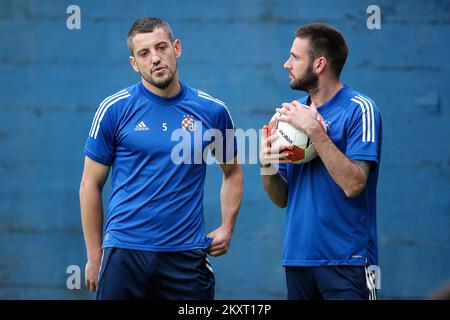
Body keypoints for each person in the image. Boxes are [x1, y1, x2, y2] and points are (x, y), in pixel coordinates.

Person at [79, 17, 243, 300]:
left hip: (185, 257)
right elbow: (89, 185)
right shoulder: (114, 110)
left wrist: (228, 227)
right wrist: (95, 256)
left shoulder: (213, 111)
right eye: (144, 53)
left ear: (176, 48)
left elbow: (233, 172)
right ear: (134, 63)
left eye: (161, 47)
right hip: (124, 253)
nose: (155, 58)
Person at [260, 23, 382, 300]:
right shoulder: (290, 120)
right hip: (298, 260)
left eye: (295, 57)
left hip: (347, 261)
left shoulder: (360, 109)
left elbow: (354, 184)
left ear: (319, 64)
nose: (286, 64)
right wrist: (266, 164)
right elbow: (281, 198)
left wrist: (315, 130)